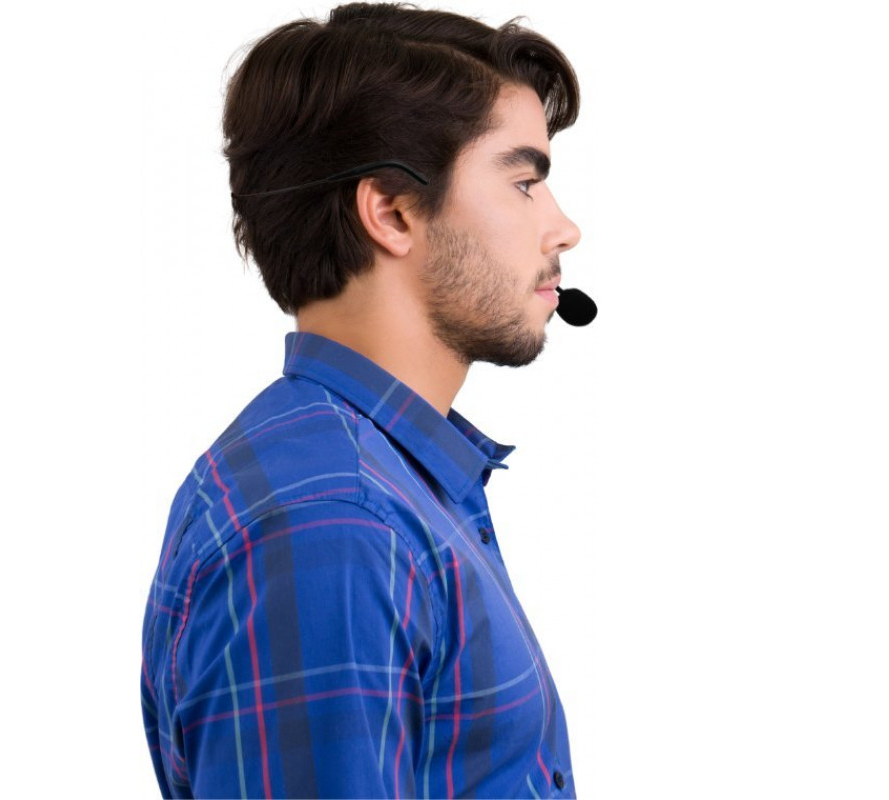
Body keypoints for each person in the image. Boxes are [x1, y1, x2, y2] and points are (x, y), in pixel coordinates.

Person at [141, 2, 585, 796]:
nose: (563, 229)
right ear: (391, 212)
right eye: (523, 183)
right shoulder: (336, 524)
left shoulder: (381, 485)